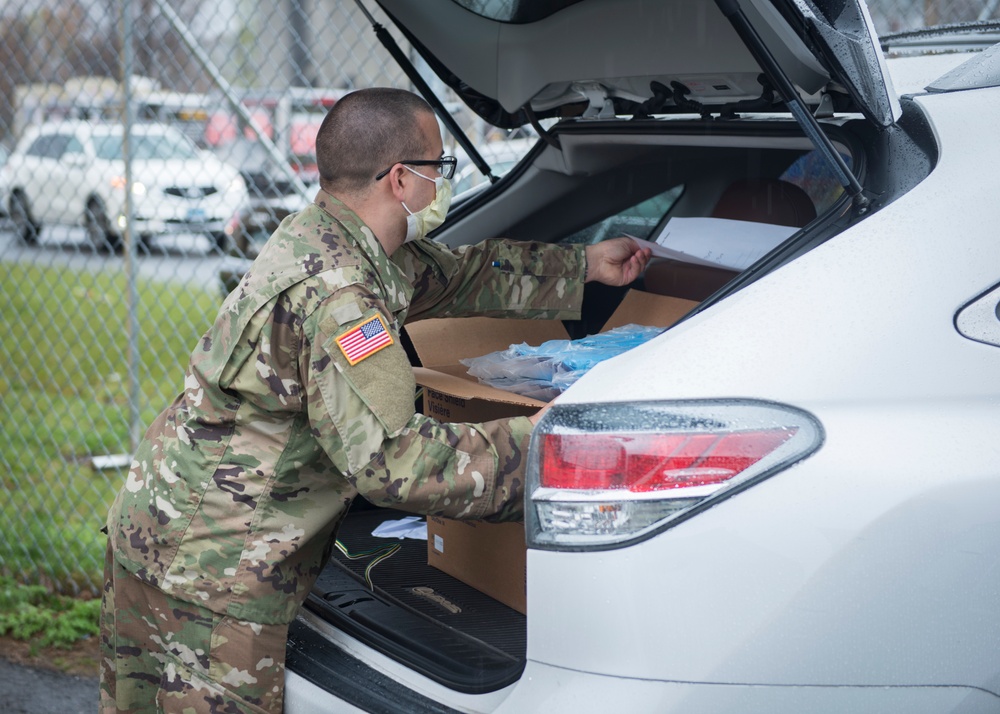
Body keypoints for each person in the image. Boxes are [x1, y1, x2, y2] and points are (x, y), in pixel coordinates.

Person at [99, 87, 650, 713]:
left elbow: (459, 273)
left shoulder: (326, 235)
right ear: (400, 180)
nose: (443, 182)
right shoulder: (340, 296)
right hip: (210, 576)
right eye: (440, 167)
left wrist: (583, 268)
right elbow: (395, 463)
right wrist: (550, 446)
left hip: (163, 534)